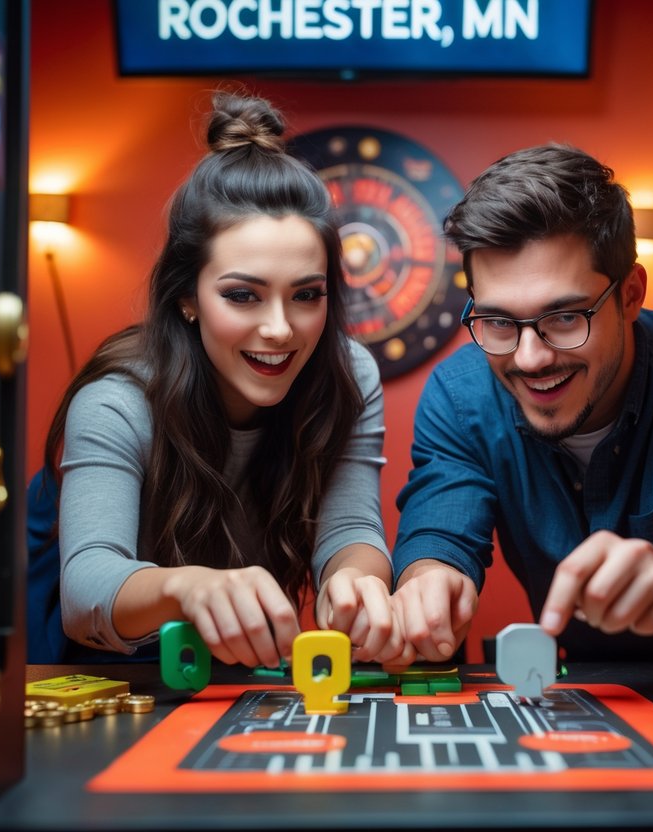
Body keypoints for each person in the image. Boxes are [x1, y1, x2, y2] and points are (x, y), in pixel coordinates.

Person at [389, 143, 653, 663]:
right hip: (591, 698)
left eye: (566, 317)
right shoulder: (461, 397)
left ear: (631, 294)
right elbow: (439, 534)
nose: (529, 358)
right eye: (499, 321)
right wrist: (428, 584)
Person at [26, 90, 401, 668]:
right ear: (187, 297)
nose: (279, 329)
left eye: (306, 295)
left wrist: (356, 581)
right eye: (242, 295)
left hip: (217, 655)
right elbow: (85, 590)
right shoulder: (117, 399)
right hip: (90, 652)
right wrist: (189, 586)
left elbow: (350, 527)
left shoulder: (347, 373)